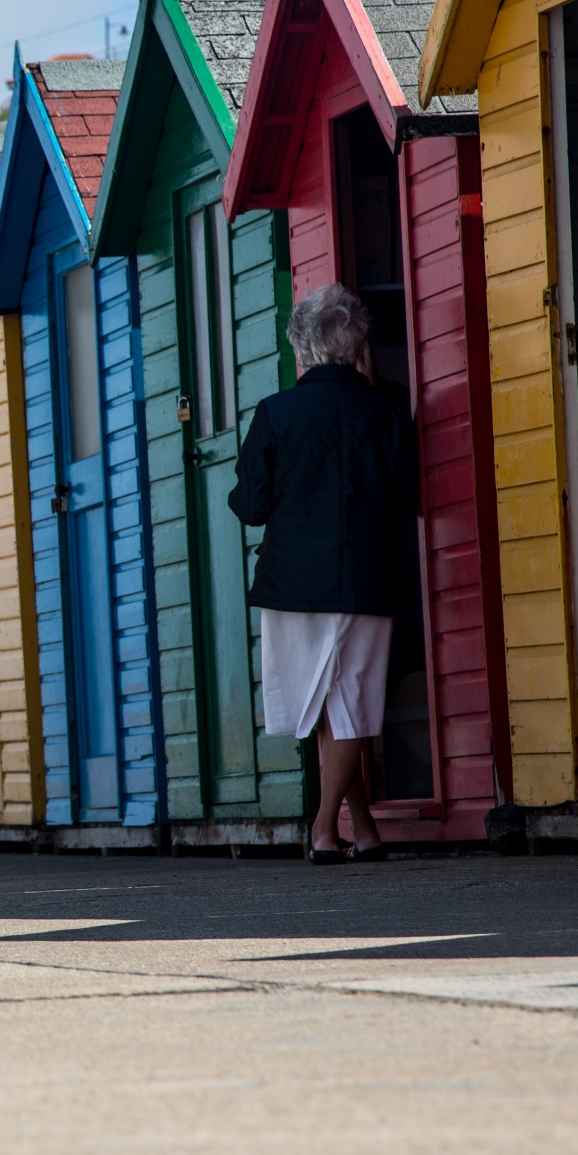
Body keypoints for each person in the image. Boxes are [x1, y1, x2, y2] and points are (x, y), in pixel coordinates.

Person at [229, 283, 417, 864]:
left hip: (295, 582)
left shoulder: (276, 412)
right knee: (350, 704)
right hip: (368, 576)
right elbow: (408, 495)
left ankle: (321, 828)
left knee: (322, 707)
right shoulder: (389, 409)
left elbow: (251, 505)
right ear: (355, 345)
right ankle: (363, 828)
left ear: (302, 349)